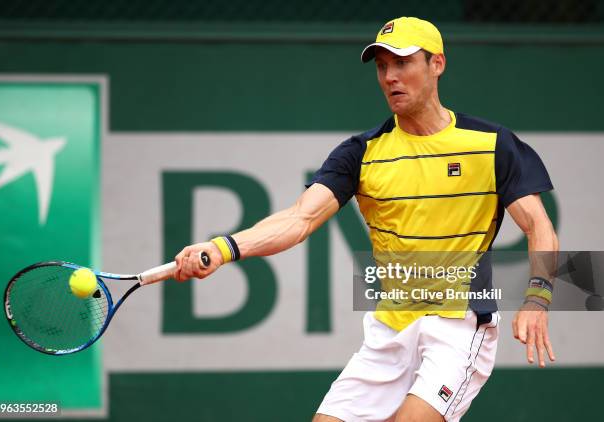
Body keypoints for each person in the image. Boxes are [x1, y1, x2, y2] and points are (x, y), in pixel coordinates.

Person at [173, 16, 558, 422]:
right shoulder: (361, 153)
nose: (390, 76)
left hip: (459, 329)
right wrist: (222, 248)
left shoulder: (492, 145)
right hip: (390, 329)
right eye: (382, 66)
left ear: (437, 64)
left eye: (403, 63)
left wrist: (538, 298)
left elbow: (538, 225)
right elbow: (299, 218)